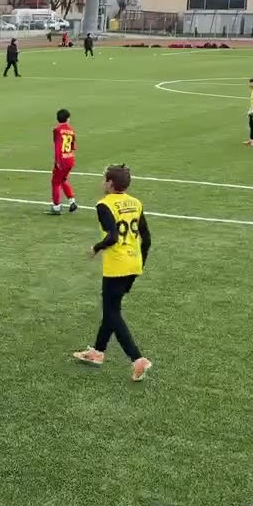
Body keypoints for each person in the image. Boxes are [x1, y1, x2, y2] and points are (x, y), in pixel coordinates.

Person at [73, 164, 153, 382]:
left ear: (110, 183)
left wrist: (95, 248)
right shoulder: (135, 203)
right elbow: (147, 238)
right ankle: (97, 352)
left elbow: (113, 236)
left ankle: (137, 359)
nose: (102, 183)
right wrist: (139, 264)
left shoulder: (104, 205)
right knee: (112, 308)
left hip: (117, 266)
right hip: (134, 264)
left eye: (103, 179)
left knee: (111, 312)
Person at [49, 108, 78, 215]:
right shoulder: (71, 130)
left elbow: (57, 147)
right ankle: (72, 201)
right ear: (68, 119)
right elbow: (73, 146)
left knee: (55, 182)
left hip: (62, 160)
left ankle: (56, 207)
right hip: (70, 158)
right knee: (63, 179)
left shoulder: (57, 130)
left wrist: (57, 161)